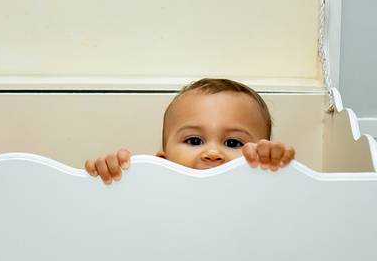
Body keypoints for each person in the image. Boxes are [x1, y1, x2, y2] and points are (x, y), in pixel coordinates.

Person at [85, 78, 296, 184]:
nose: (212, 153)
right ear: (162, 161)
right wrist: (114, 179)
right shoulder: (155, 194)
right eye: (194, 141)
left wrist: (275, 171)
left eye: (233, 143)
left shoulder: (263, 191)